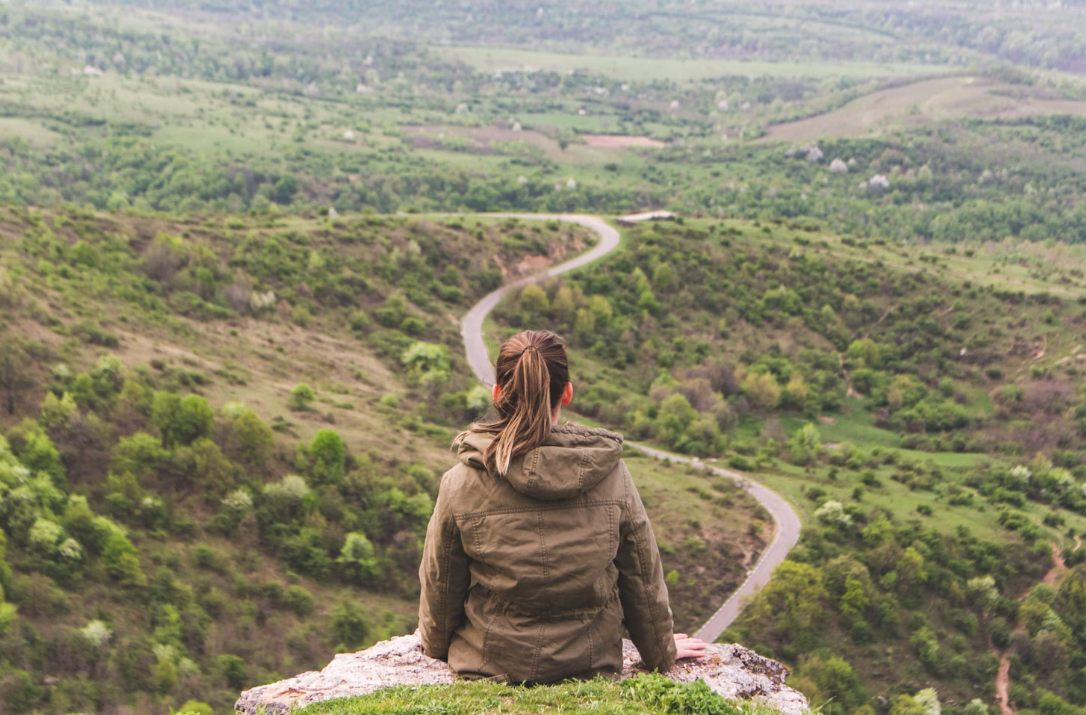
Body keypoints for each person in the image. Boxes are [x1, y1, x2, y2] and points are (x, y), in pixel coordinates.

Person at [418, 329, 705, 684]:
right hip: (590, 667)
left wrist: (434, 646)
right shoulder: (611, 474)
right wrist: (661, 653)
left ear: (497, 394)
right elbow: (641, 577)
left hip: (488, 666)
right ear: (567, 392)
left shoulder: (460, 482)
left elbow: (441, 584)